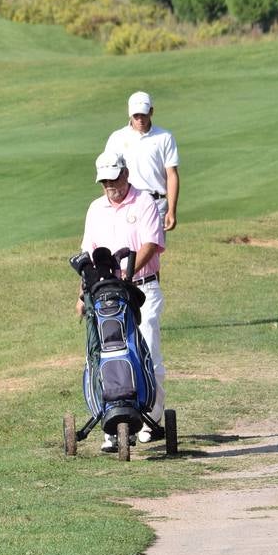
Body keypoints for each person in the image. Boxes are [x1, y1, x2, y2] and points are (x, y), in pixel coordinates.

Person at [76, 152, 166, 450]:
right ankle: (110, 426)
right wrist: (81, 293)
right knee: (104, 354)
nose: (110, 185)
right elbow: (89, 255)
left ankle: (149, 423)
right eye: (104, 181)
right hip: (104, 296)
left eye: (114, 178)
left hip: (141, 289)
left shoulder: (144, 202)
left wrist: (126, 274)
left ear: (125, 174)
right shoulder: (96, 208)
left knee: (147, 353)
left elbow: (151, 245)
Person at [104, 91, 180, 232]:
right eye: (136, 115)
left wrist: (172, 210)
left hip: (156, 203)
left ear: (151, 112)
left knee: (152, 252)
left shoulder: (165, 137)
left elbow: (172, 175)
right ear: (129, 114)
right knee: (125, 250)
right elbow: (107, 174)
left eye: (143, 115)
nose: (140, 119)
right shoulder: (117, 137)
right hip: (126, 202)